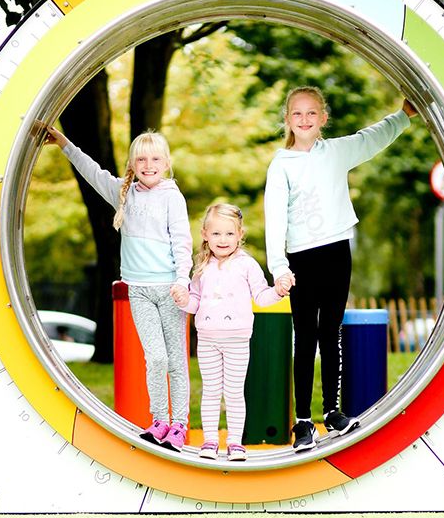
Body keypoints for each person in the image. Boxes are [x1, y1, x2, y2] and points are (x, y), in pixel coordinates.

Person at [264, 86, 417, 452]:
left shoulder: (336, 152)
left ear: (323, 118)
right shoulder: (280, 164)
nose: (304, 119)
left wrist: (404, 115)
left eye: (312, 113)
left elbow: (371, 138)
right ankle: (303, 423)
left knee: (330, 333)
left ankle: (331, 413)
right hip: (300, 258)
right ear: (287, 120)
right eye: (297, 114)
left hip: (336, 253)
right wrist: (278, 267)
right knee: (305, 338)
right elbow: (274, 218)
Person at [45, 125, 192, 452]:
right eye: (141, 159)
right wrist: (64, 143)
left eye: (155, 158)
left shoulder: (172, 196)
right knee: (155, 359)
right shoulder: (123, 192)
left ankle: (179, 426)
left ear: (166, 163)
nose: (148, 164)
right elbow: (91, 172)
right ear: (131, 164)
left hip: (169, 290)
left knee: (176, 362)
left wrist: (183, 280)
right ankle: (159, 421)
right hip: (138, 291)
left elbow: (183, 242)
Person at [174, 203, 290, 461]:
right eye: (216, 234)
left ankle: (235, 442)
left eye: (229, 234)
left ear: (240, 235)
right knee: (211, 391)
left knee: (235, 392)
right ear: (205, 234)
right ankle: (210, 441)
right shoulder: (201, 267)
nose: (223, 239)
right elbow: (195, 302)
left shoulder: (247, 265)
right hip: (207, 340)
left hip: (237, 340)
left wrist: (278, 291)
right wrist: (182, 300)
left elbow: (261, 297)